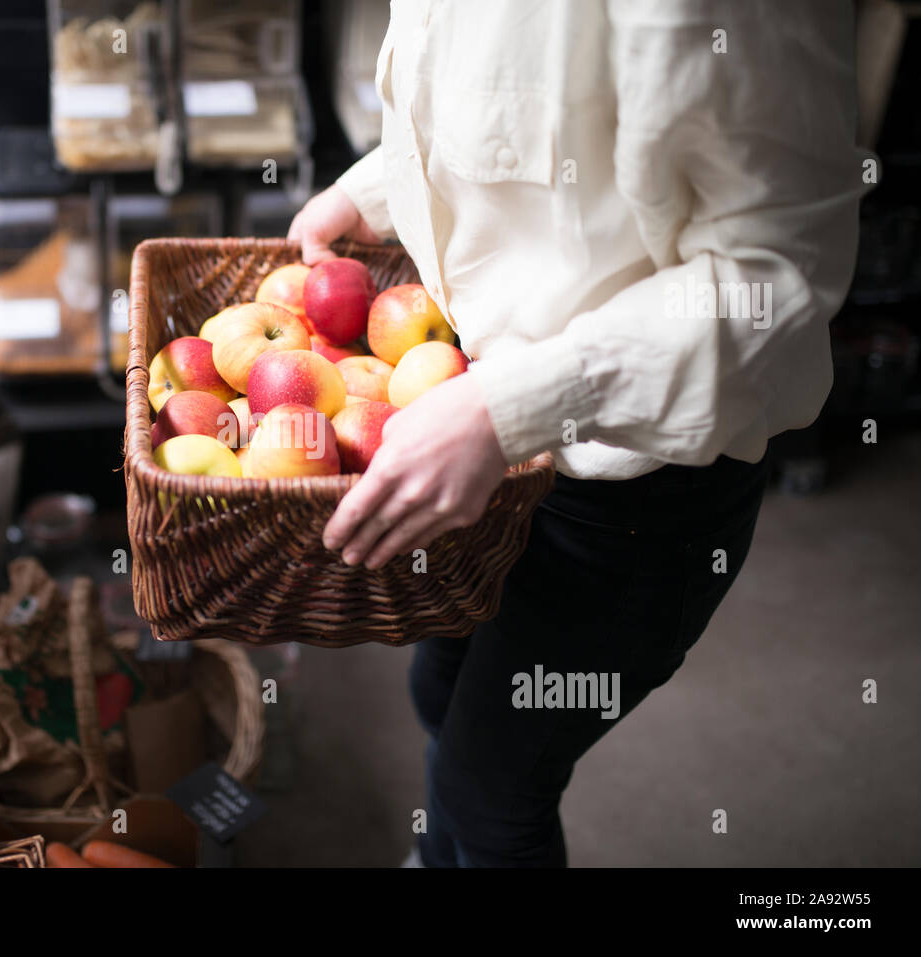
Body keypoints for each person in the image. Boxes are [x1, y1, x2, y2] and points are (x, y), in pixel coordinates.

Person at [290, 1, 870, 866]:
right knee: (440, 691)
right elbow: (515, 115)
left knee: (490, 796)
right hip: (470, 419)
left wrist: (511, 405)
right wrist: (372, 189)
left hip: (632, 493)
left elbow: (776, 279)